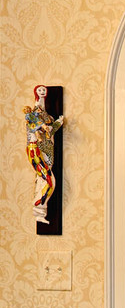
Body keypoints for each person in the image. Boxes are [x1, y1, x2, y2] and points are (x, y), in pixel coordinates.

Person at [24, 85, 63, 223]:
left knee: (45, 180)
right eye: (40, 90)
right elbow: (40, 128)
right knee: (48, 181)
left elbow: (50, 130)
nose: (43, 92)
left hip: (45, 152)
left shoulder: (43, 117)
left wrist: (57, 124)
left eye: (43, 90)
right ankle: (39, 209)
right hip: (35, 151)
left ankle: (40, 210)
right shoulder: (33, 119)